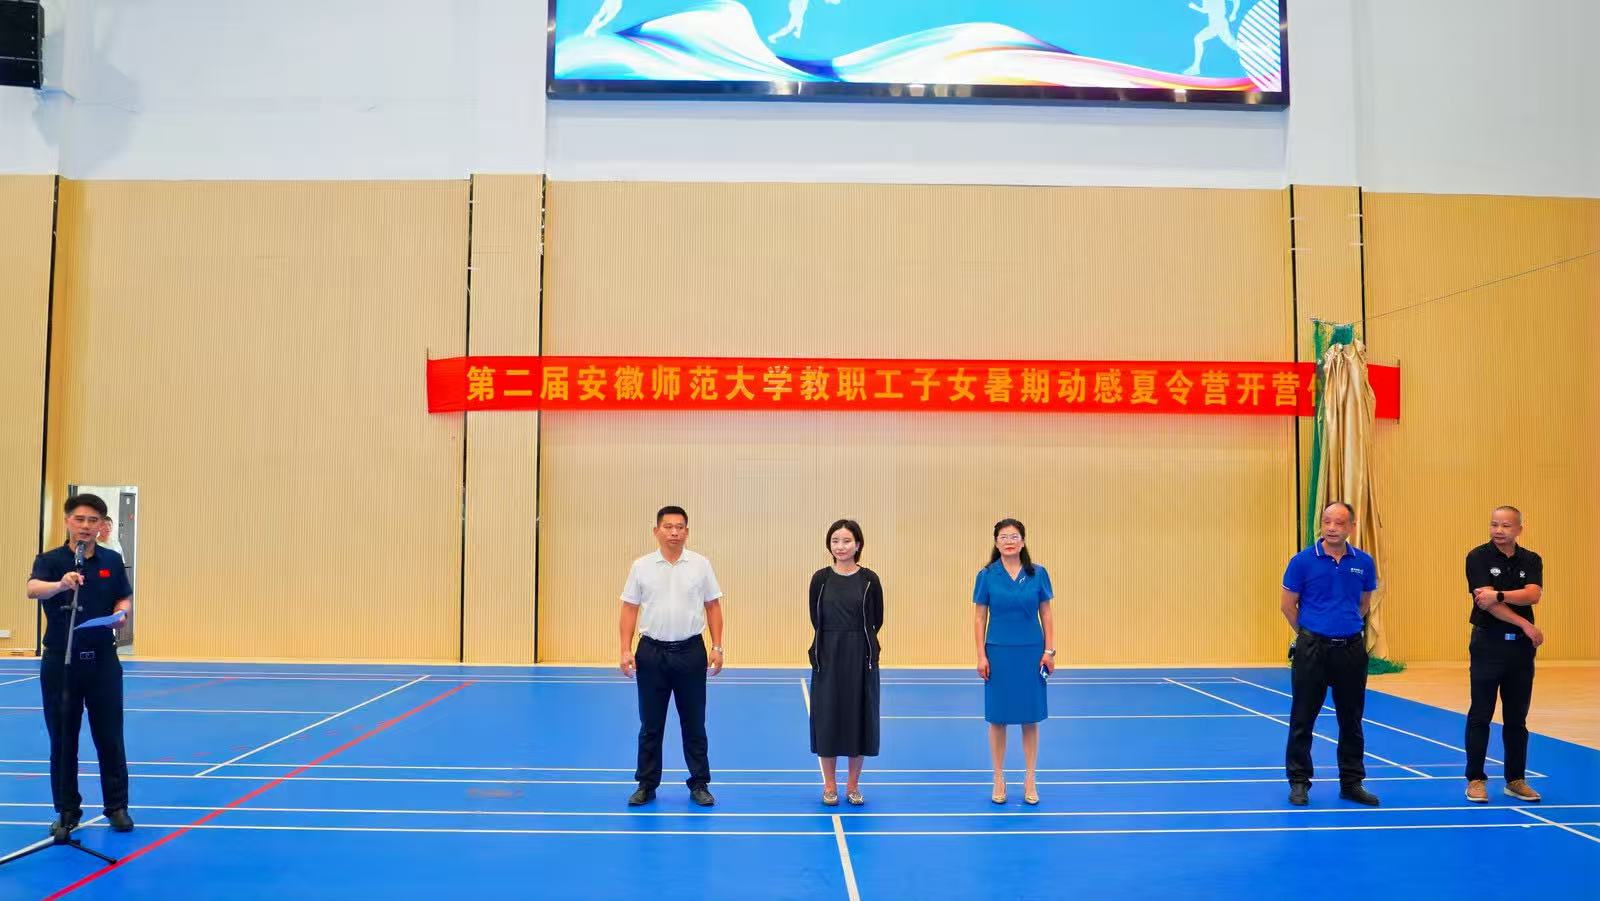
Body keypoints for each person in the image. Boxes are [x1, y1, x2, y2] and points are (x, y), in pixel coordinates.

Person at [25, 494, 135, 835]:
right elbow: (33, 589)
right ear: (67, 522)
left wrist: (122, 612)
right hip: (61, 662)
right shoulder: (50, 560)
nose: (86, 526)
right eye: (80, 519)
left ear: (101, 525)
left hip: (102, 662)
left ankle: (117, 807)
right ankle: (67, 811)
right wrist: (61, 584)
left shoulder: (112, 560)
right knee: (63, 739)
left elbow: (123, 595)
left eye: (93, 520)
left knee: (110, 737)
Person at [618, 506, 725, 807]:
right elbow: (629, 608)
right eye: (668, 527)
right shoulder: (641, 566)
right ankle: (646, 784)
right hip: (651, 653)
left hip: (691, 653)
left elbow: (713, 606)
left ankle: (699, 783)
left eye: (680, 527)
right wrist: (625, 649)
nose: (674, 532)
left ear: (687, 532)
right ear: (656, 531)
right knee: (650, 724)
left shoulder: (701, 565)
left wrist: (717, 647)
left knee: (694, 723)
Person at [1280, 501, 1380, 807]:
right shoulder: (1302, 561)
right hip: (1312, 650)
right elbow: (1288, 606)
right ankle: (1299, 782)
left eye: (1339, 523)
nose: (1332, 528)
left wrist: (1343, 628)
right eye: (1327, 522)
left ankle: (1351, 783)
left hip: (1351, 650)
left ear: (1351, 527)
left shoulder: (1363, 562)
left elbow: (1363, 603)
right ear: (1321, 525)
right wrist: (1310, 635)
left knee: (1351, 720)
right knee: (1303, 718)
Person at [1463, 505, 1545, 803]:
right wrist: (1525, 623)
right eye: (1494, 524)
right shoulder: (1478, 557)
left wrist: (1498, 593)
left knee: (1516, 718)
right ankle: (1475, 779)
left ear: (1519, 529)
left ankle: (1516, 779)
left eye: (1506, 526)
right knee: (1481, 714)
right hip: (1488, 644)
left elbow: (1533, 594)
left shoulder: (1531, 559)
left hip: (1520, 650)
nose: (1498, 530)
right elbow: (1486, 605)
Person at [973, 518, 1055, 806]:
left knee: (1030, 717)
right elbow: (980, 617)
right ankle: (998, 777)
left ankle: (1030, 778)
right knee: (998, 718)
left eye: (1014, 536)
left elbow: (1046, 613)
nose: (1009, 541)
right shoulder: (986, 575)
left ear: (1023, 541)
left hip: (1031, 652)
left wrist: (1049, 651)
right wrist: (981, 655)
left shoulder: (1038, 574)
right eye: (1004, 537)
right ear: (996, 543)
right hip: (998, 652)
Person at [807, 519, 884, 806]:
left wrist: (859, 641)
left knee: (858, 719)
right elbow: (815, 617)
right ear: (829, 545)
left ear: (858, 544)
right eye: (835, 541)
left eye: (847, 541)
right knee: (827, 719)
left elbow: (877, 619)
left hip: (861, 656)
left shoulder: (869, 580)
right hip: (828, 654)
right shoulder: (820, 579)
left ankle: (853, 785)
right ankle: (829, 785)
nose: (840, 546)